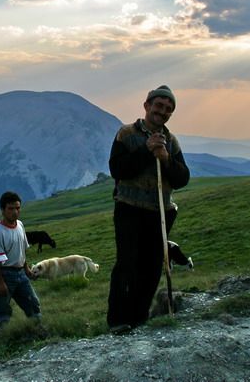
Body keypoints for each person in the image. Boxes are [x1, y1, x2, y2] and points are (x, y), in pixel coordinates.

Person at [106, 85, 190, 334]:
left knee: (152, 265)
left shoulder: (171, 142)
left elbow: (183, 178)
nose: (162, 112)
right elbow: (118, 170)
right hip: (129, 209)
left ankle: (139, 317)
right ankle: (118, 320)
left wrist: (165, 159)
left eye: (168, 109)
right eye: (159, 106)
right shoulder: (126, 134)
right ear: (147, 105)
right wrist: (146, 150)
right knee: (126, 264)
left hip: (160, 212)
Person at [0, 191, 42, 333]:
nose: (15, 212)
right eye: (11, 209)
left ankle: (38, 331)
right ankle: (1, 339)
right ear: (3, 210)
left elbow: (22, 250)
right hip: (4, 274)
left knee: (33, 303)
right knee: (2, 310)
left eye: (18, 208)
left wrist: (27, 270)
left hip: (20, 273)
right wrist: (0, 283)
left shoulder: (20, 225)